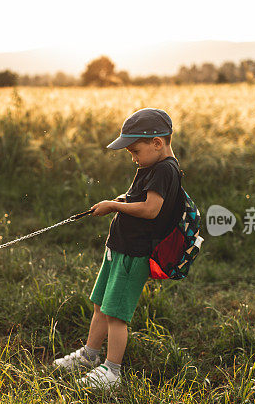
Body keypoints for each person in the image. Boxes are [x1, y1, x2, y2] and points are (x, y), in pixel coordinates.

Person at [53, 108, 183, 389]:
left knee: (117, 315)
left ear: (157, 143)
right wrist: (119, 199)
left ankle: (111, 372)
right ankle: (89, 355)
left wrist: (113, 205)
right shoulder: (151, 167)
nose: (133, 157)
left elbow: (150, 209)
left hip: (134, 254)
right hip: (119, 249)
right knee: (102, 305)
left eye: (135, 150)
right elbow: (139, 198)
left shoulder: (164, 170)